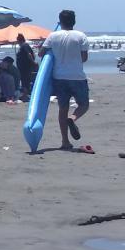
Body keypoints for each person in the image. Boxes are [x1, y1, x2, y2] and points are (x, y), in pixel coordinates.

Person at [41, 9, 90, 150]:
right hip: (77, 77)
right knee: (83, 105)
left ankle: (65, 141)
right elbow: (84, 58)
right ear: (74, 21)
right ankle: (73, 118)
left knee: (63, 108)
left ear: (60, 21)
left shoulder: (52, 36)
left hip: (59, 77)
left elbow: (41, 54)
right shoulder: (81, 36)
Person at [15, 33, 38, 98]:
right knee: (24, 80)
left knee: (25, 81)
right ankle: (25, 94)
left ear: (19, 40)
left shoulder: (25, 45)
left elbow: (29, 54)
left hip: (25, 67)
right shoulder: (23, 46)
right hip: (23, 67)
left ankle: (25, 95)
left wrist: (33, 62)